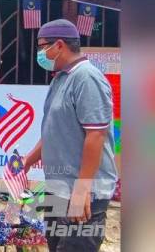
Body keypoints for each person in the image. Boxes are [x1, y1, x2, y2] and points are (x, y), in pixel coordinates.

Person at [23, 19, 118, 252]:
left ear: (59, 45)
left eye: (41, 46)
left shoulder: (87, 78)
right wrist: (26, 161)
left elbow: (95, 135)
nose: (39, 52)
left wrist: (82, 188)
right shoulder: (61, 78)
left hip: (83, 194)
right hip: (58, 189)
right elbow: (54, 132)